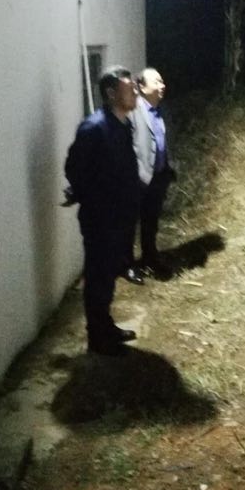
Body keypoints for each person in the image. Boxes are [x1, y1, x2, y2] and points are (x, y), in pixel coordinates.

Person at [65, 66, 140, 355]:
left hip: (119, 218)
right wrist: (96, 200)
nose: (135, 92)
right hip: (100, 220)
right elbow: (74, 169)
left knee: (108, 276)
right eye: (129, 88)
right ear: (110, 93)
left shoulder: (122, 124)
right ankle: (97, 338)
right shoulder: (94, 128)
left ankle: (105, 326)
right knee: (98, 278)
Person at [130, 67, 176, 276]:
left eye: (162, 81)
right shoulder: (132, 111)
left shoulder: (164, 110)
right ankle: (128, 264)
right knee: (130, 223)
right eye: (156, 82)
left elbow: (168, 139)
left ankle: (150, 257)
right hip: (138, 179)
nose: (162, 86)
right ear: (141, 87)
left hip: (159, 176)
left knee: (151, 221)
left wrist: (169, 166)